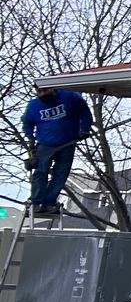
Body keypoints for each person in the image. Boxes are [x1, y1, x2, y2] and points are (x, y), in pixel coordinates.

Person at [22, 86, 92, 220]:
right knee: (40, 172)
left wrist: (85, 129)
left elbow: (85, 112)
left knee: (61, 173)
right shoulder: (33, 105)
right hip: (45, 144)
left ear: (53, 89)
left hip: (67, 143)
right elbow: (27, 123)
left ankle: (49, 202)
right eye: (39, 92)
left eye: (45, 90)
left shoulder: (70, 96)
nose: (43, 94)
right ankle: (36, 202)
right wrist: (30, 137)